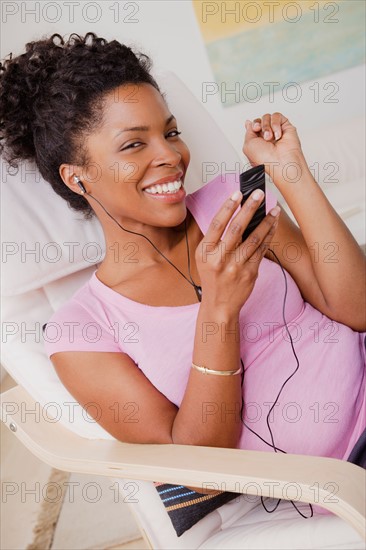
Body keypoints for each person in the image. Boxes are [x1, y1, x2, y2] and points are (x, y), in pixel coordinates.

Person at [1, 33, 365, 476]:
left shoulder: (230, 202)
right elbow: (200, 464)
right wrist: (219, 309)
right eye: (135, 144)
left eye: (170, 132)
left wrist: (292, 173)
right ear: (77, 178)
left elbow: (355, 309)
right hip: (343, 471)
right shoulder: (81, 332)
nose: (171, 155)